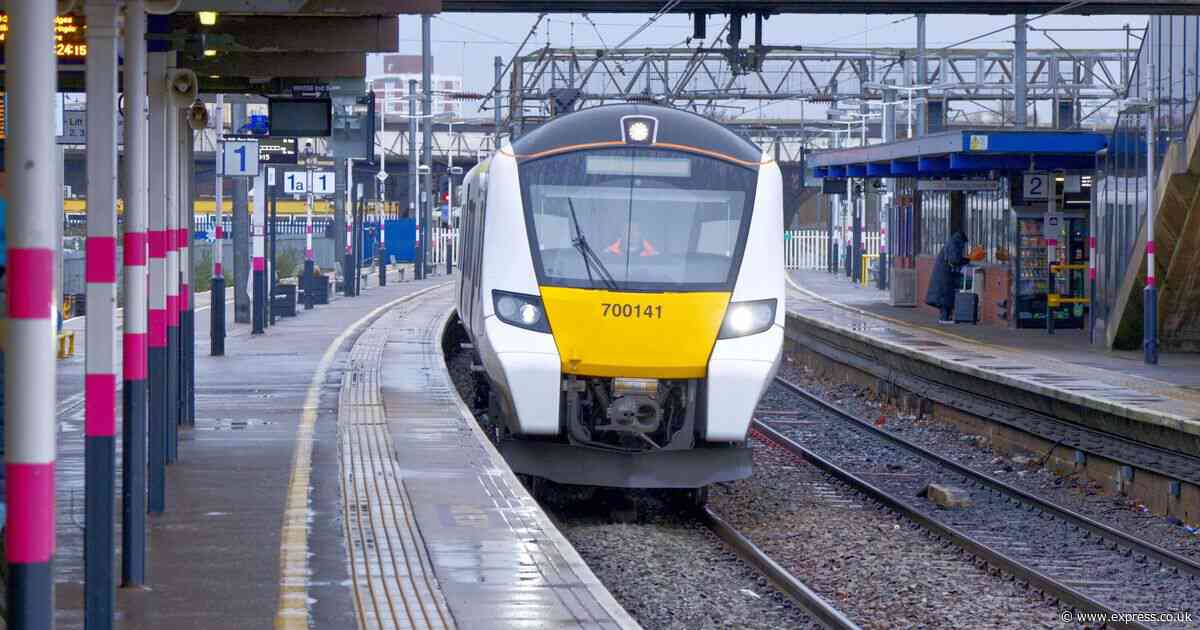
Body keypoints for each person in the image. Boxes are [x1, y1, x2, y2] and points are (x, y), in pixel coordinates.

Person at [925, 230, 970, 324]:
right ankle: (945, 318)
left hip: (944, 274)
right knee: (945, 296)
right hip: (945, 275)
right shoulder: (954, 244)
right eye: (964, 244)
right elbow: (954, 260)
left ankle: (945, 317)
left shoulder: (951, 243)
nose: (964, 246)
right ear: (961, 240)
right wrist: (966, 260)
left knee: (945, 296)